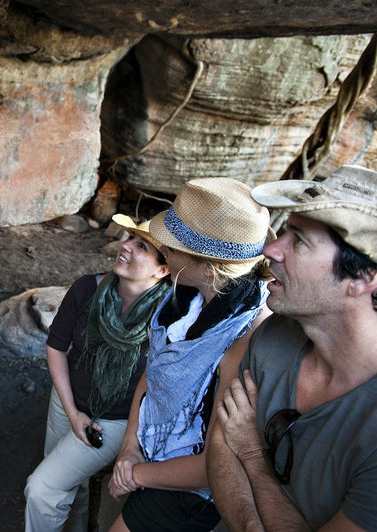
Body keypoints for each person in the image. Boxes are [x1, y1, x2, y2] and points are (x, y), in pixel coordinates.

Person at [208, 165, 377, 531]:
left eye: (298, 240)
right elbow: (222, 443)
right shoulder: (275, 334)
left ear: (363, 278)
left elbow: (238, 444)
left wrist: (252, 453)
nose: (271, 248)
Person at [106, 178, 274, 532]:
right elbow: (153, 376)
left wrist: (133, 473)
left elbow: (214, 463)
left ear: (209, 267)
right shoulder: (189, 299)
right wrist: (129, 446)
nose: (163, 249)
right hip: (154, 456)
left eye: (172, 244)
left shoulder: (244, 341)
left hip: (191, 493)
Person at [24, 214, 171, 532]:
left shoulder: (169, 318)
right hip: (66, 402)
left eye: (141, 245)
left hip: (117, 420)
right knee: (65, 480)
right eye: (129, 238)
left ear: (162, 269)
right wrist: (72, 411)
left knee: (41, 488)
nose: (126, 246)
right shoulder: (86, 289)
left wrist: (132, 441)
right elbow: (56, 347)